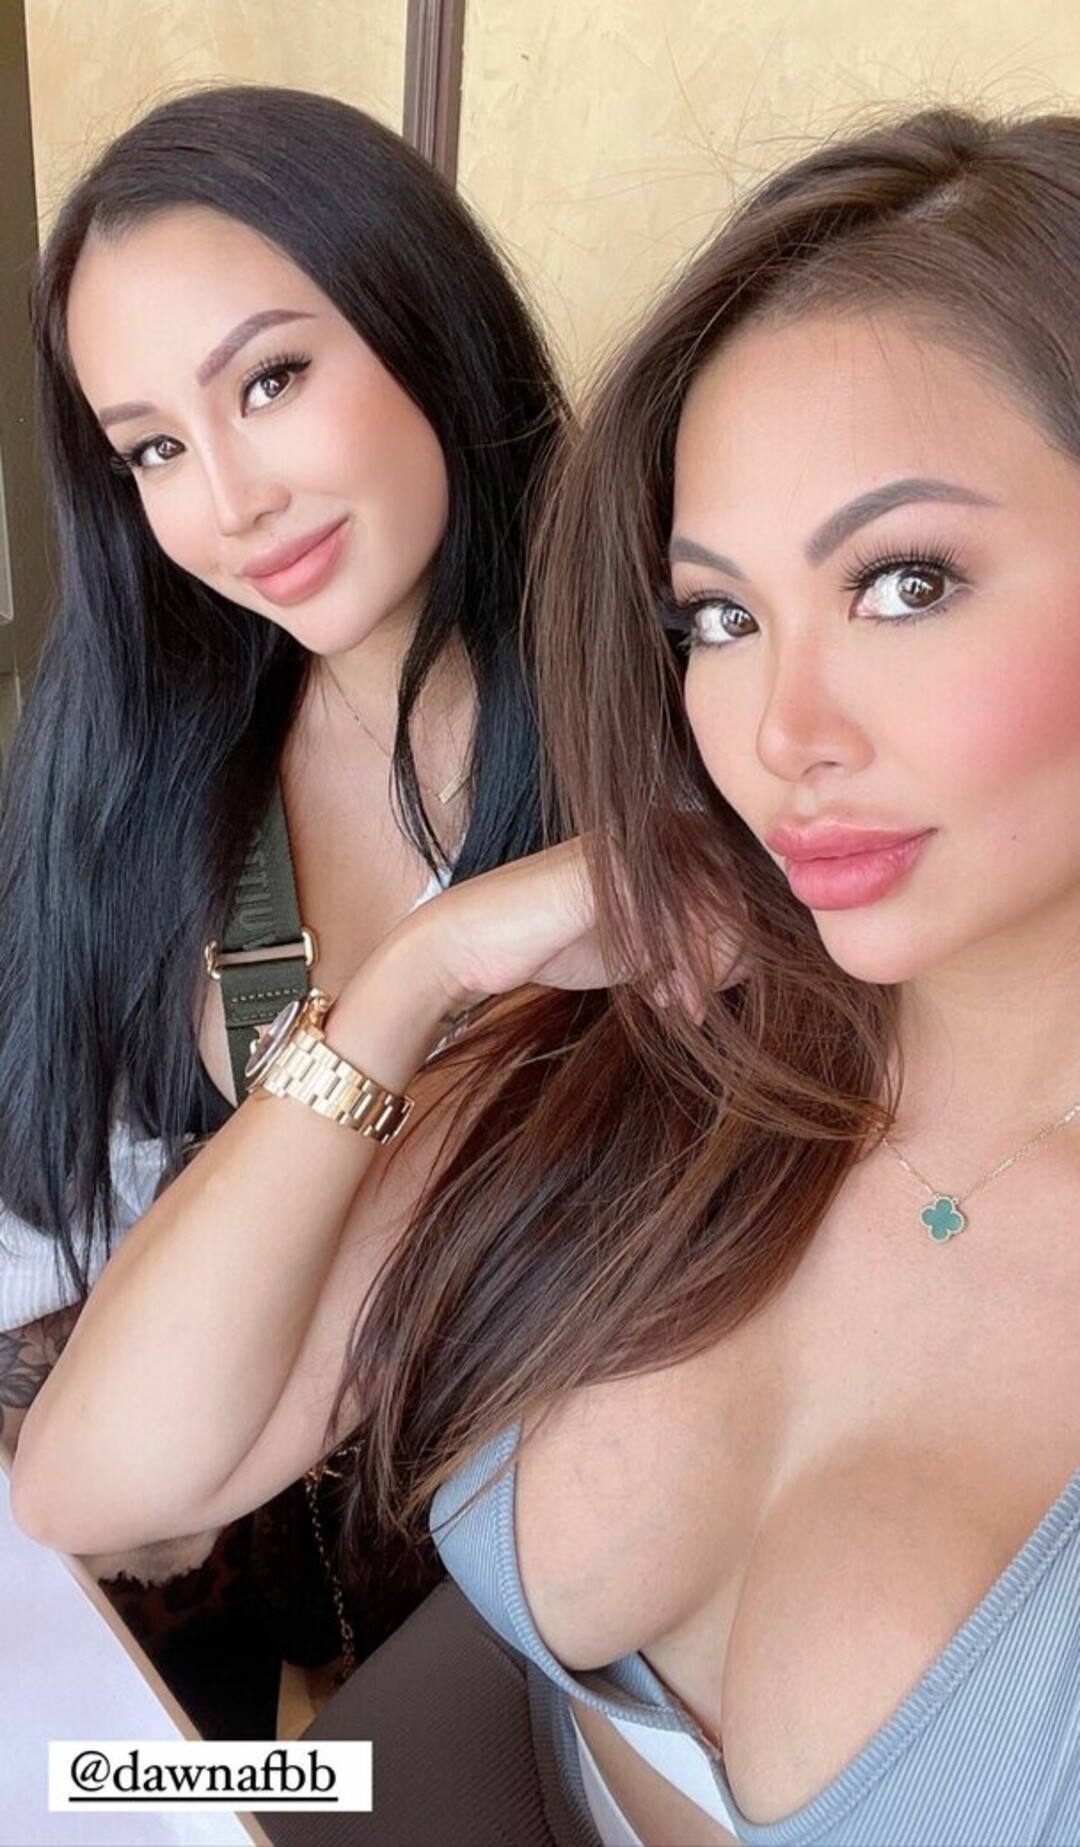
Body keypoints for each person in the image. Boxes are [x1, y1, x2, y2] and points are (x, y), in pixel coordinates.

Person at [15, 102, 1080, 1844]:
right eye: (718, 618)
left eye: (906, 582)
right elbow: (91, 1481)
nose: (780, 735)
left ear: (420, 323)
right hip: (340, 1744)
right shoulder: (661, 1016)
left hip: (361, 1710)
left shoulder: (605, 795)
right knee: (76, 1788)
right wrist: (424, 971)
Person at [0, 82, 565, 1732]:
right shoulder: (146, 753)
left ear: (425, 319)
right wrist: (419, 974)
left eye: (271, 379)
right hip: (221, 1658)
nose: (229, 503)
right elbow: (52, 1286)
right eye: (155, 449)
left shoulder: (658, 740)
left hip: (537, 1680)